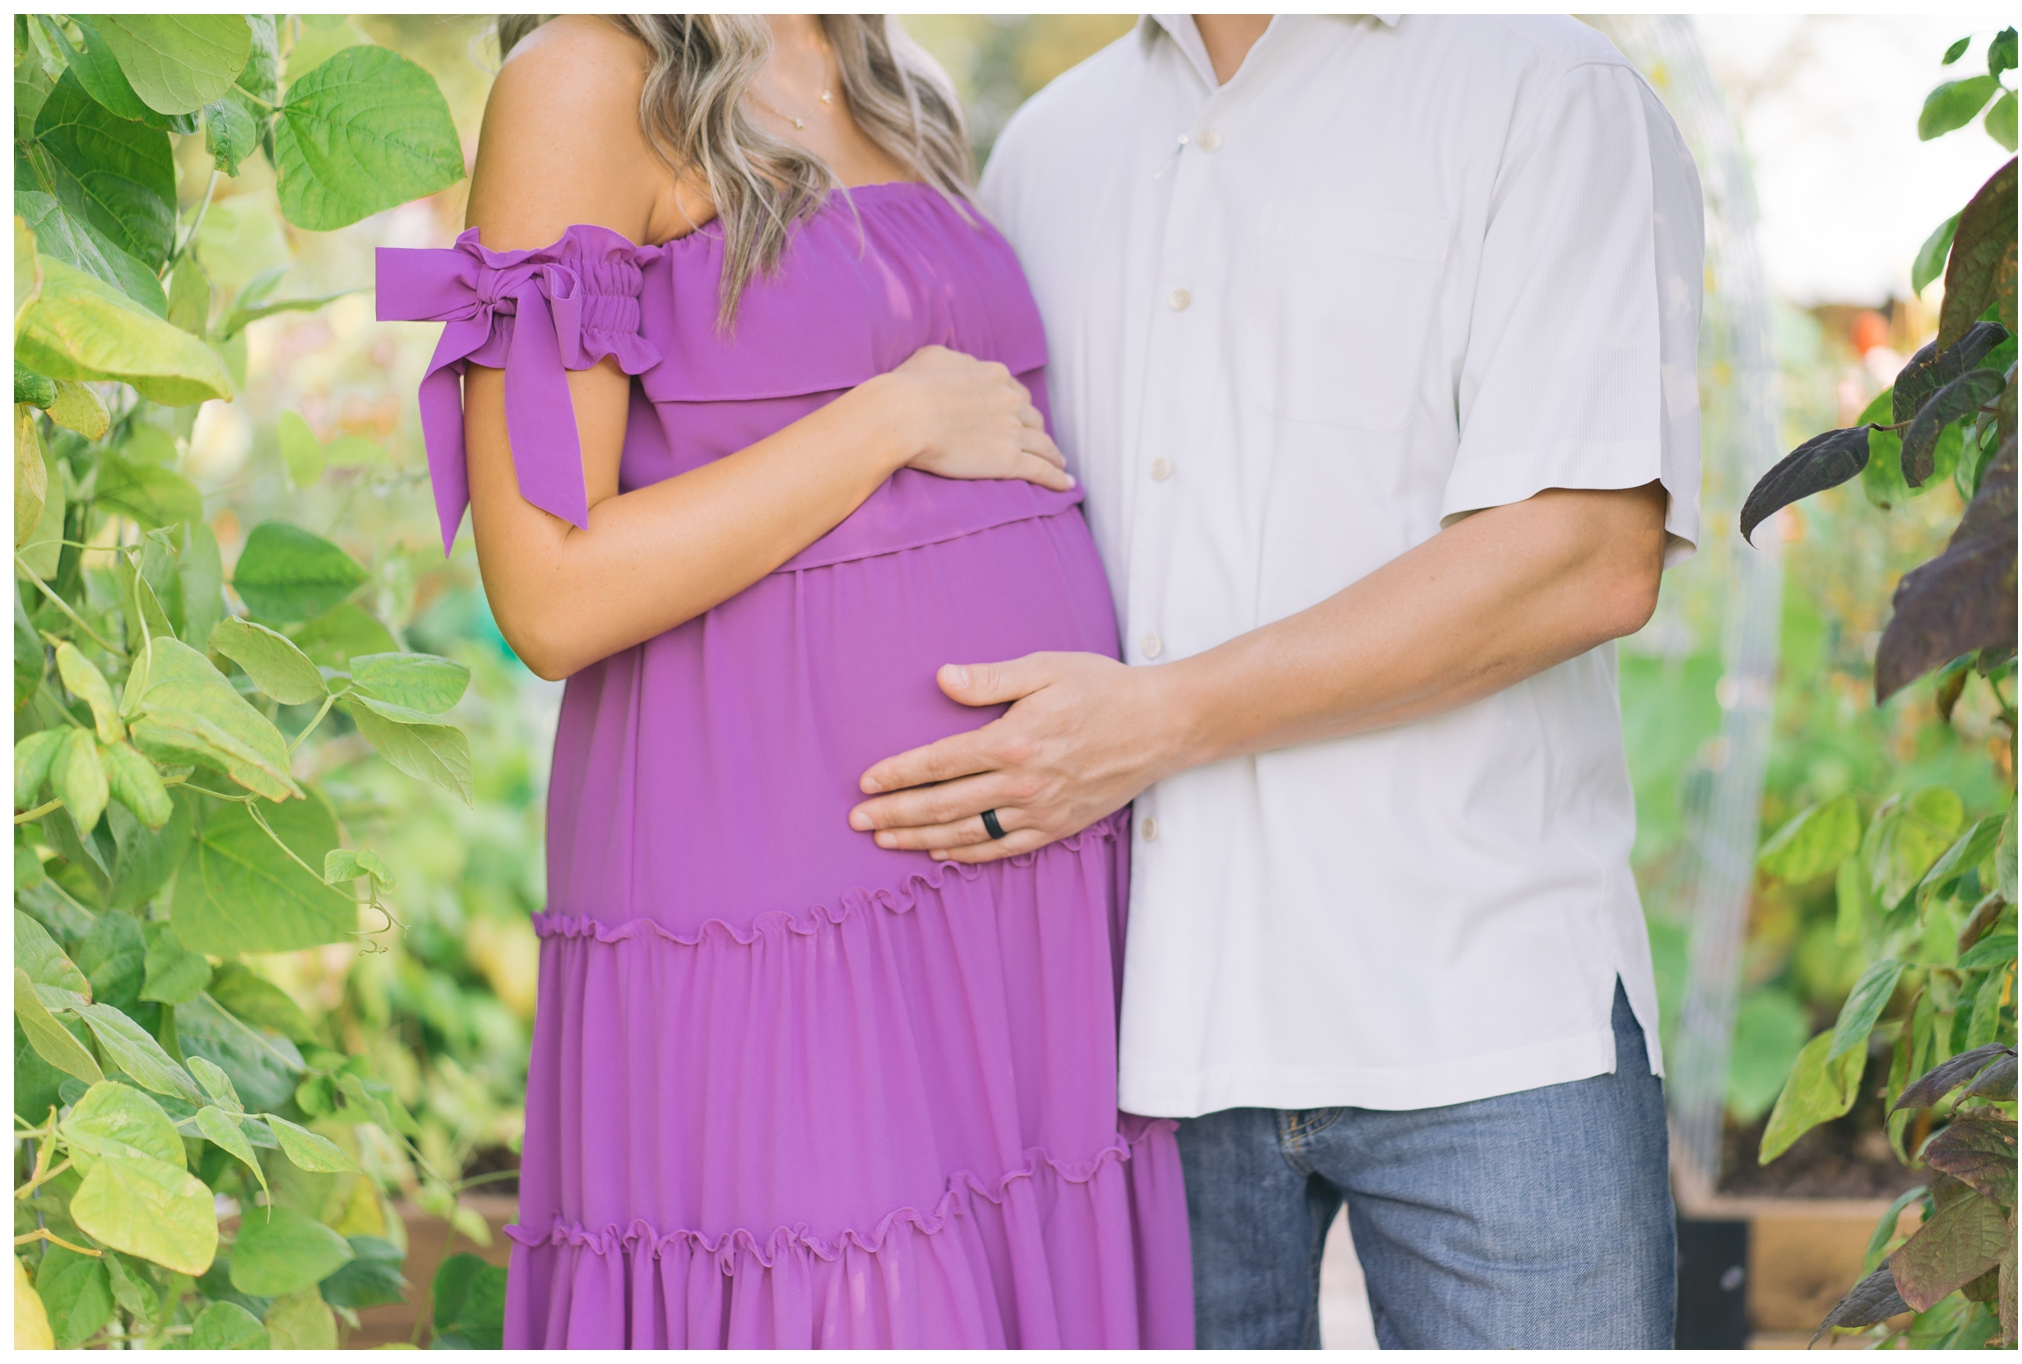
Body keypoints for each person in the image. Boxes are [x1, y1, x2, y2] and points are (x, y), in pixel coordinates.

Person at [848, 14, 1704, 1350]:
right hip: (1136, 1047)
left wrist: (1149, 723)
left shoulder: (1542, 86)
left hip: (1482, 1020)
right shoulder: (1048, 150)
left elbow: (1584, 556)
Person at [375, 14, 1193, 1349]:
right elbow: (549, 589)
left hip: (1019, 898)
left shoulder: (898, 81)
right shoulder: (585, 80)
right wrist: (891, 418)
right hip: (769, 892)